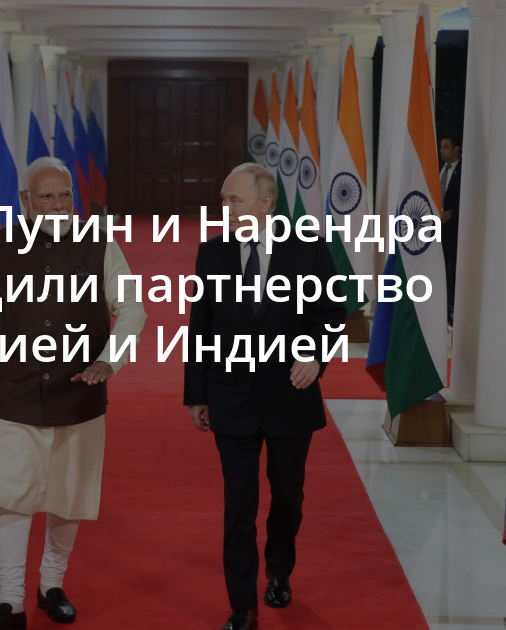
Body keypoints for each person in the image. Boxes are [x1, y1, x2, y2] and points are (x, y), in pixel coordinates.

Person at [0, 156, 147, 630]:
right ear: (25, 200)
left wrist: (109, 360)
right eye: (46, 196)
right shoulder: (1, 244)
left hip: (79, 392)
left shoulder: (100, 242)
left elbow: (132, 308)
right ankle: (10, 603)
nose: (57, 204)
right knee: (11, 494)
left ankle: (51, 586)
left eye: (65, 195)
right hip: (13, 392)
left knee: (69, 495)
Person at [184, 163, 345, 630]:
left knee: (287, 496)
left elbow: (331, 311)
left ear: (266, 202)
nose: (225, 208)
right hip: (230, 396)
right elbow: (201, 326)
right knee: (238, 504)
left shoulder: (308, 248)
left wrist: (315, 356)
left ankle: (279, 571)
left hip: (289, 395)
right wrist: (196, 393)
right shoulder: (212, 252)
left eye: (234, 200)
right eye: (223, 200)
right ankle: (242, 605)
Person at [438, 135, 462, 325]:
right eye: (441, 147)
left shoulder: (463, 171)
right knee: (441, 270)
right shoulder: (439, 170)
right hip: (438, 230)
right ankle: (442, 309)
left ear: (456, 149)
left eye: (446, 147)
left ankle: (454, 309)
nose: (442, 150)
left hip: (455, 230)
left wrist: (452, 213)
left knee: (453, 270)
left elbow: (469, 198)